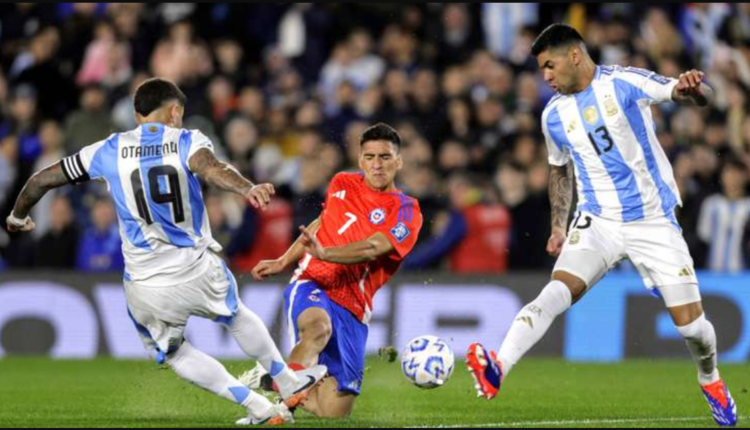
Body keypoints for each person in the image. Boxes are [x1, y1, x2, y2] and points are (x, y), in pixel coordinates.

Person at [5, 77, 326, 426]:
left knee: (175, 354)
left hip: (145, 284)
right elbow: (212, 169)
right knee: (235, 316)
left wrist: (17, 216)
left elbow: (40, 180)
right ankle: (286, 380)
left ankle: (257, 406)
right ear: (174, 112)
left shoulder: (107, 149)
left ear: (136, 113)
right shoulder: (185, 140)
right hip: (196, 267)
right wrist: (247, 188)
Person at [466, 24, 737, 427]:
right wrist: (559, 225)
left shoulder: (623, 81)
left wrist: (695, 89)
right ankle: (498, 368)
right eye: (542, 70)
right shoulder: (553, 115)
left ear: (575, 55)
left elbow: (688, 94)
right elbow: (559, 171)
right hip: (598, 222)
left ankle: (710, 380)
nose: (546, 77)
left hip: (652, 221)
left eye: (550, 66)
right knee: (554, 293)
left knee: (694, 330)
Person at [239, 123, 423, 418]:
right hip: (314, 281)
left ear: (398, 161)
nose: (377, 165)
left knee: (332, 414)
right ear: (360, 159)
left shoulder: (406, 211)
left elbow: (374, 247)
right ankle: (276, 411)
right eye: (370, 157)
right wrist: (284, 261)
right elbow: (321, 223)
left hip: (353, 306)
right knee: (317, 329)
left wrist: (328, 252)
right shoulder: (341, 183)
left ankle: (275, 379)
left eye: (385, 157)